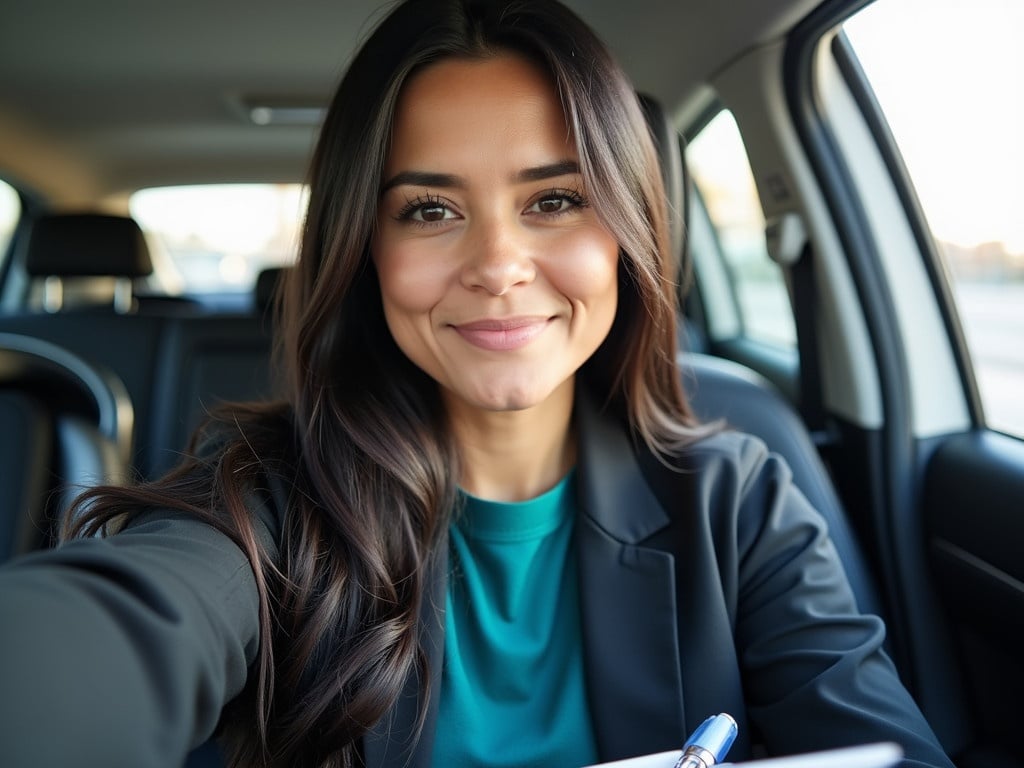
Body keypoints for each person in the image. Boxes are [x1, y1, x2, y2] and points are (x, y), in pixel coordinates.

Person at [0, 1, 956, 767]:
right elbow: (119, 631)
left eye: (554, 199)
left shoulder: (740, 497)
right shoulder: (265, 496)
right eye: (428, 208)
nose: (499, 263)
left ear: (627, 231)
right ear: (364, 251)